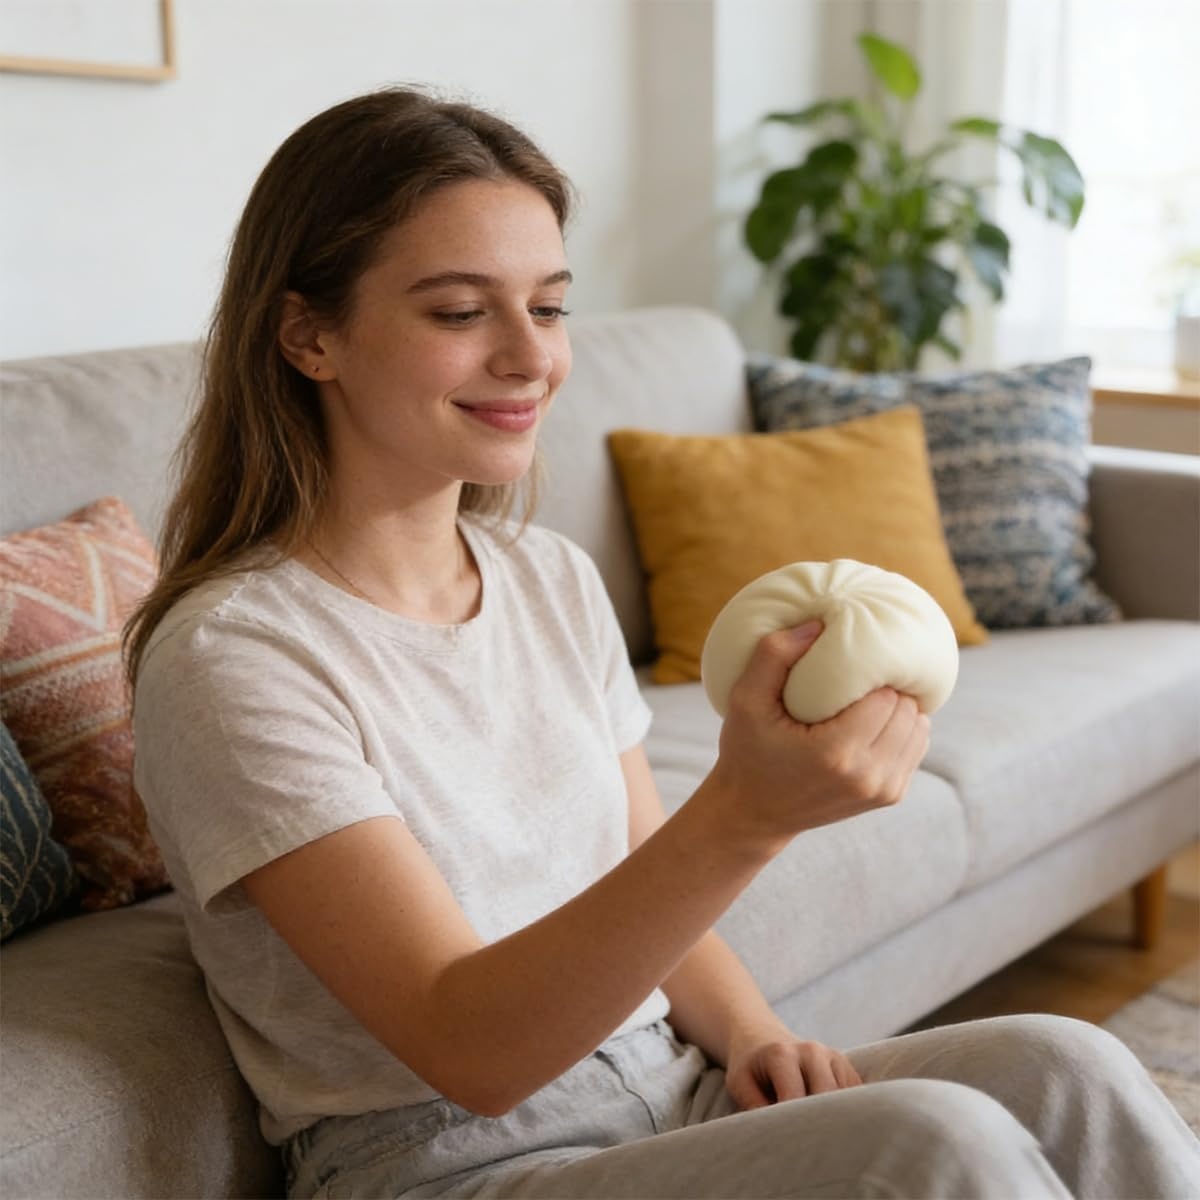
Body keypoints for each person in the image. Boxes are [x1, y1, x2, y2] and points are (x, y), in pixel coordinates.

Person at [125, 86, 1200, 1200]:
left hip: (666, 1087)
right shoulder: (237, 657)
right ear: (309, 335)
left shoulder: (546, 579)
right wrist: (748, 813)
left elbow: (634, 876)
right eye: (459, 312)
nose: (528, 357)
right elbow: (471, 1050)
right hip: (446, 1162)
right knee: (934, 1144)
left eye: (547, 308)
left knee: (1062, 1064)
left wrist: (749, 1033)